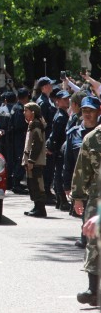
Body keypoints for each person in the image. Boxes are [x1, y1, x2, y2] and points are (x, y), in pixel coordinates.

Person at [70, 102, 101, 307]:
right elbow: (82, 169)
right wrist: (78, 196)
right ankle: (93, 290)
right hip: (97, 198)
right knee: (93, 242)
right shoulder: (92, 138)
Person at [65, 95, 98, 249]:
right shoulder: (73, 133)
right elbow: (68, 161)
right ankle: (85, 238)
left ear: (98, 112)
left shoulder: (98, 134)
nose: (87, 114)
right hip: (80, 181)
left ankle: (87, 240)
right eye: (84, 110)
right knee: (83, 214)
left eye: (91, 110)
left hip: (96, 185)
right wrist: (66, 185)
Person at [21, 102, 48, 218]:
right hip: (32, 161)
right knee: (32, 183)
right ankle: (36, 206)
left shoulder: (36, 124)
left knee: (37, 183)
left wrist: (31, 160)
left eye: (26, 111)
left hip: (35, 161)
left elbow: (37, 142)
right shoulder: (32, 123)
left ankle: (40, 208)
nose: (24, 113)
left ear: (33, 112)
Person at [47, 89, 70, 210]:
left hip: (60, 148)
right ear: (58, 101)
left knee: (59, 173)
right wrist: (50, 147)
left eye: (67, 99)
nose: (67, 101)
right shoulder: (61, 116)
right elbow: (55, 135)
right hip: (59, 149)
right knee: (60, 174)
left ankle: (60, 200)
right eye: (64, 99)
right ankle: (62, 201)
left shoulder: (62, 114)